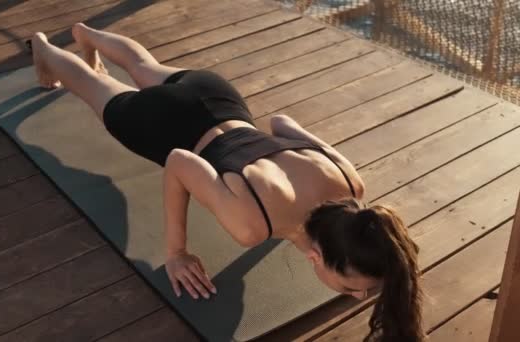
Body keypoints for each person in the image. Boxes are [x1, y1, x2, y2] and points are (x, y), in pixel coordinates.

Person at [29, 23, 424, 341]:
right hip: (166, 124)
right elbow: (179, 162)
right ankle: (44, 48)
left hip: (216, 95)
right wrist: (177, 252)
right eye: (350, 288)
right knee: (90, 85)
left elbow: (282, 124)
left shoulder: (349, 185)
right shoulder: (253, 225)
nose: (358, 296)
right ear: (316, 257)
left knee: (143, 66)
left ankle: (88, 35)